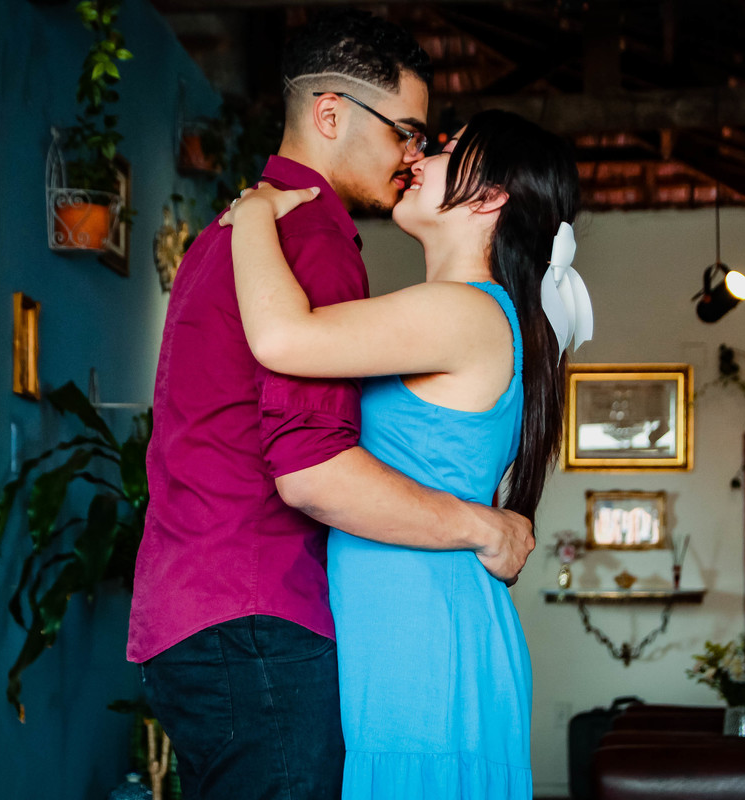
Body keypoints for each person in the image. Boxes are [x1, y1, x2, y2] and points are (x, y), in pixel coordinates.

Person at [127, 12, 536, 800]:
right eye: (407, 132)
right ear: (330, 114)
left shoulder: (235, 231)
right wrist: (484, 526)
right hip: (257, 610)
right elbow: (310, 468)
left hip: (196, 606)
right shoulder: (309, 238)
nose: (413, 155)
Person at [219, 109, 591, 799]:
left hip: (424, 646)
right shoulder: (473, 312)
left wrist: (252, 215)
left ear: (490, 196)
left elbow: (281, 339)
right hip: (418, 632)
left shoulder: (464, 311)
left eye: (449, 148)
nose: (420, 155)